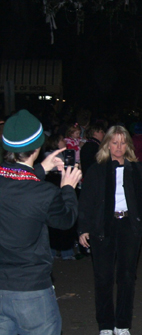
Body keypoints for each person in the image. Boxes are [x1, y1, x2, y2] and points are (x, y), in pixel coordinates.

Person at [0, 109, 82, 335]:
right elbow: (66, 220)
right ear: (37, 148)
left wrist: (42, 168)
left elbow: (16, 183)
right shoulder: (43, 193)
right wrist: (67, 188)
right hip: (30, 290)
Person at [78, 126, 142, 335]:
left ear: (128, 145)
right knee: (103, 277)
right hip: (103, 226)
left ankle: (122, 324)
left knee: (127, 277)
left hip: (129, 226)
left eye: (123, 143)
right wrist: (83, 228)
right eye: (114, 142)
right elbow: (86, 201)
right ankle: (105, 324)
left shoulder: (136, 169)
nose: (119, 147)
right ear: (107, 144)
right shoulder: (97, 169)